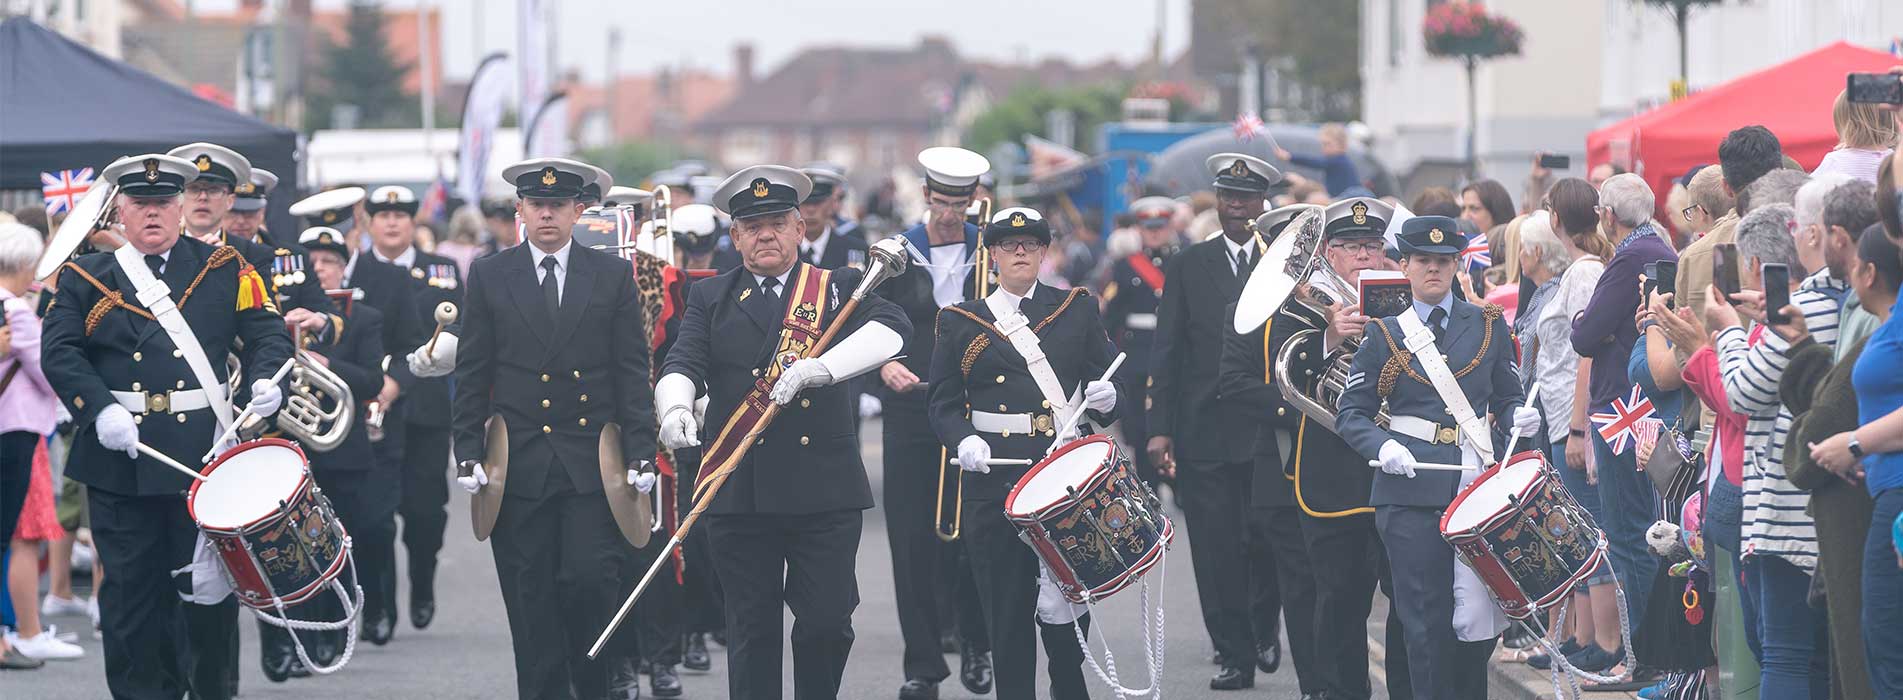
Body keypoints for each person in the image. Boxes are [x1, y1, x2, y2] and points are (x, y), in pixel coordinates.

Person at [42, 153, 293, 700]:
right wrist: (98, 407)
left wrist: (267, 380)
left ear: (179, 208)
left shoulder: (225, 267)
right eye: (140, 204)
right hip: (121, 461)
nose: (152, 214)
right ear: (120, 212)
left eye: (162, 203)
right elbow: (60, 353)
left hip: (202, 460)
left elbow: (268, 334)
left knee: (207, 600)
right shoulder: (87, 277)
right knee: (132, 601)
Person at [655, 165, 908, 700]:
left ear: (799, 228)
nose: (765, 234)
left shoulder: (837, 287)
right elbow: (683, 359)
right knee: (751, 629)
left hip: (823, 491)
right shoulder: (711, 297)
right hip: (740, 489)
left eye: (776, 222)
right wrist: (675, 406)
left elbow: (894, 330)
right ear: (735, 237)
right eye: (752, 226)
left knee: (826, 622)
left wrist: (824, 368)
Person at [443, 158, 659, 698]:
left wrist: (641, 449)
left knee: (590, 584)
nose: (546, 215)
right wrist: (466, 448)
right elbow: (473, 369)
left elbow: (632, 369)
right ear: (519, 210)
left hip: (591, 464)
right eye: (536, 205)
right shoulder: (492, 274)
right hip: (518, 466)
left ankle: (592, 688)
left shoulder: (611, 275)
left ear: (578, 211)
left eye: (557, 206)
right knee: (530, 600)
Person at [1220, 198, 1412, 700]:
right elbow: (1286, 371)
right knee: (1339, 602)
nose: (1364, 257)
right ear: (1329, 251)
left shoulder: (1406, 302)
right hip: (1331, 478)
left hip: (1402, 473)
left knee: (1406, 599)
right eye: (1351, 247)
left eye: (1372, 245)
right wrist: (1329, 335)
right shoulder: (1296, 307)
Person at [1335, 215, 1534, 700]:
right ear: (1403, 265)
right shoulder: (1383, 332)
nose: (1433, 270)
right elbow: (1351, 413)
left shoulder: (1486, 324)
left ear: (1456, 265)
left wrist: (1518, 421)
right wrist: (1382, 446)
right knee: (1422, 621)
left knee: (1477, 624)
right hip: (1408, 491)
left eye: (1444, 262)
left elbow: (1508, 397)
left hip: (1474, 487)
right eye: (1423, 260)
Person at [928, 206, 1121, 700]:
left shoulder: (1075, 306)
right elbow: (943, 404)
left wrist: (1107, 398)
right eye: (1009, 245)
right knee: (1008, 613)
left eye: (1031, 244)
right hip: (994, 478)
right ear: (992, 255)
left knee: (1066, 611)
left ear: (1043, 252)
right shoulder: (960, 320)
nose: (1020, 252)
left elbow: (1104, 378)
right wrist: (963, 438)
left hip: (1061, 475)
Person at [1148, 152, 1284, 689]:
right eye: (1228, 197)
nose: (1237, 207)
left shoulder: (1280, 265)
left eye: (1247, 198)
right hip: (1202, 428)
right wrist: (1159, 427)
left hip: (1262, 429)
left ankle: (1263, 626)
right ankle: (1233, 653)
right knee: (1215, 547)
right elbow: (1168, 349)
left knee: (1266, 540)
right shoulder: (1187, 264)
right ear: (1218, 201)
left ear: (1261, 203)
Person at [868, 146, 997, 700]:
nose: (950, 214)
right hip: (911, 408)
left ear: (975, 200)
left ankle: (976, 641)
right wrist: (884, 362)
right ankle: (922, 664)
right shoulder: (897, 253)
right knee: (912, 540)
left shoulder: (989, 249)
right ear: (924, 196)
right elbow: (865, 321)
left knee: (977, 536)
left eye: (960, 203)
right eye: (942, 202)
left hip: (976, 410)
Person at [253, 226, 393, 683]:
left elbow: (372, 382)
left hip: (341, 451)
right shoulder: (270, 312)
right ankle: (287, 641)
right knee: (280, 551)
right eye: (312, 262)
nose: (319, 269)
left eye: (329, 262)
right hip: (282, 445)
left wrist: (330, 365)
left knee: (334, 545)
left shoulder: (360, 318)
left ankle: (331, 631)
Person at [289, 187, 424, 645]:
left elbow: (408, 347)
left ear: (354, 234)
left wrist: (393, 384)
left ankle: (378, 607)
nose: (324, 264)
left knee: (375, 523)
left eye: (335, 250)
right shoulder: (286, 299)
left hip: (371, 428)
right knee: (313, 534)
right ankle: (324, 619)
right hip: (307, 434)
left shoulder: (384, 286)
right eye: (314, 254)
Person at [1707, 203, 1833, 697]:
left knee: (1783, 651)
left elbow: (1741, 391)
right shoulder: (1847, 302)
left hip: (1785, 502)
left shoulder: (1812, 306)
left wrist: (1727, 332)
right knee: (1819, 657)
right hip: (1819, 494)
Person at [1780, 224, 1899, 700]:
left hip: (1891, 501)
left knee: (1885, 650)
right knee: (1881, 645)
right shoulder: (1883, 323)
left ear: (1869, 271)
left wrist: (1854, 443)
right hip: (1882, 489)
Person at [361, 185, 463, 634]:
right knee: (373, 517)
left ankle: (422, 582)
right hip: (372, 410)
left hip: (425, 411)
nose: (391, 221)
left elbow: (459, 327)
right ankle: (378, 607)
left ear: (413, 220)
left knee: (425, 513)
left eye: (401, 214)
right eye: (382, 214)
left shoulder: (439, 270)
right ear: (369, 221)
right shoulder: (353, 271)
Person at [0, 222, 80, 663]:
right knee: (10, 534)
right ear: (27, 263)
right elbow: (51, 373)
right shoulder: (15, 311)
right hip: (15, 432)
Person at [1101, 196, 1184, 486]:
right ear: (1139, 228)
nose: (1154, 232)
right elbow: (1112, 317)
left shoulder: (1182, 261)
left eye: (1160, 226)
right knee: (1139, 428)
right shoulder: (1125, 266)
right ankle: (1149, 483)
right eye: (1148, 227)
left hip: (1175, 354)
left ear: (1170, 226)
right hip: (1137, 356)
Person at [1677, 126, 1786, 314]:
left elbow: (1680, 333)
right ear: (1782, 173)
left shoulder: (1695, 255)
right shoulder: (1807, 237)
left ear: (1726, 188)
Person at [1812, 89, 1898, 184]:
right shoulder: (1897, 161)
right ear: (1890, 120)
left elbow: (1805, 193)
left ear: (1843, 124)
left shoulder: (1835, 161)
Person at [796, 166, 870, 269]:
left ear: (832, 204)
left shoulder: (856, 249)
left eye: (818, 202)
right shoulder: (784, 252)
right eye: (805, 202)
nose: (811, 210)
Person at [1274, 123, 1361, 196]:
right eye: (1322, 144)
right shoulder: (1339, 161)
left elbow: (1314, 162)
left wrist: (1290, 157)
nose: (1323, 148)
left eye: (1327, 144)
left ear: (1342, 145)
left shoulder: (1339, 161)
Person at [219, 168, 279, 246]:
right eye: (233, 212)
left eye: (249, 213)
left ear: (262, 212)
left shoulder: (285, 255)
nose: (241, 221)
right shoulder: (203, 253)